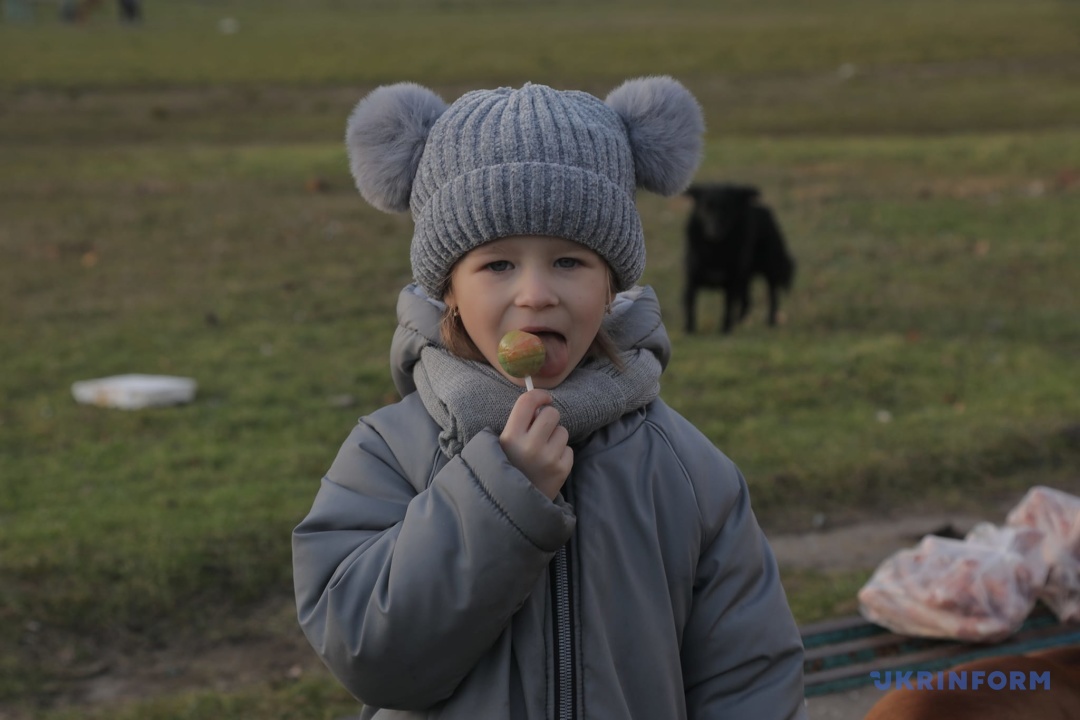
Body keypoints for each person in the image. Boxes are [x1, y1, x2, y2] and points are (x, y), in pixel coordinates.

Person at [292, 77, 807, 719]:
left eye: (569, 262)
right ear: (448, 290)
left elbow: (750, 678)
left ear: (612, 285)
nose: (536, 293)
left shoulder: (686, 471)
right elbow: (372, 655)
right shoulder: (390, 454)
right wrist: (502, 496)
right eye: (498, 265)